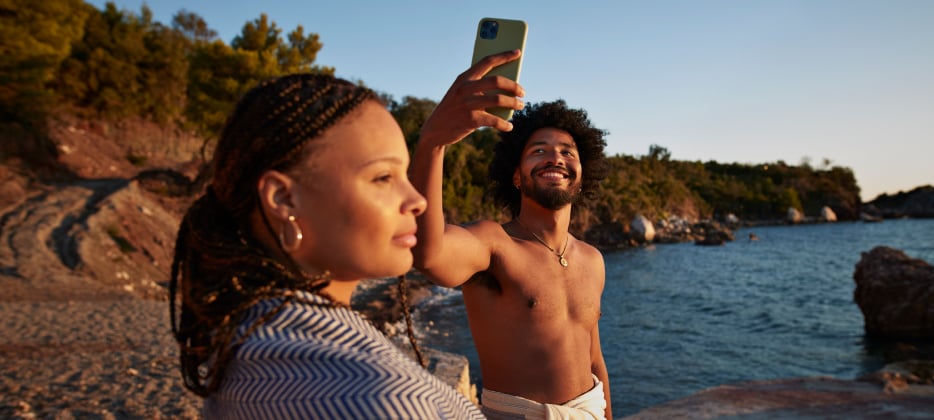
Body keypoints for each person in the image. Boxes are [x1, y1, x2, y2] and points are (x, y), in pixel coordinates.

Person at [169, 73, 484, 419]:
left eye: (405, 175)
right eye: (383, 177)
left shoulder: (244, 344)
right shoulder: (384, 400)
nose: (417, 201)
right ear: (283, 198)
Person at [411, 50, 613, 419]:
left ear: (583, 176)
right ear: (517, 176)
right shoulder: (494, 244)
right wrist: (433, 143)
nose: (555, 158)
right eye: (539, 151)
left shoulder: (593, 259)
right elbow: (429, 254)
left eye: (567, 152)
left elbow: (595, 360)